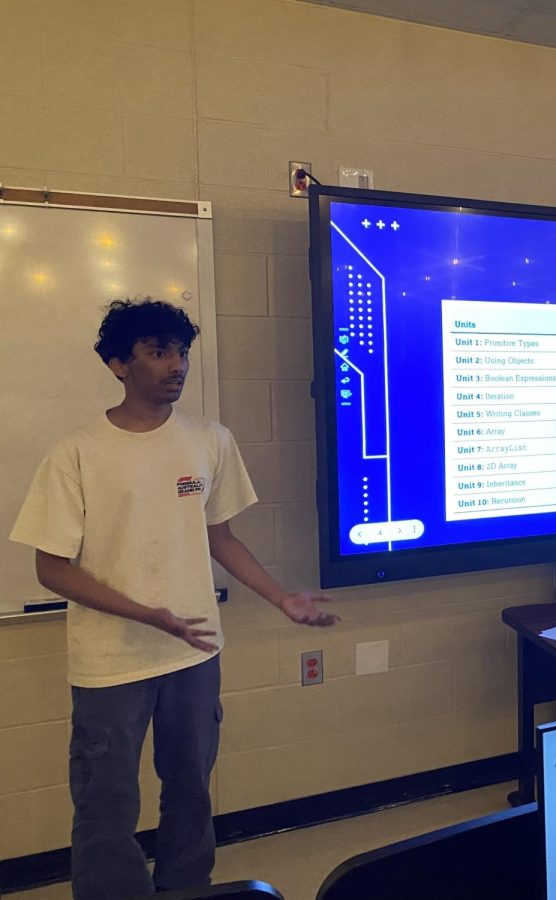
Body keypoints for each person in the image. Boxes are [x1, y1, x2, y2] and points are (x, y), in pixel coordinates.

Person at [9, 299, 340, 899]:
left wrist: (281, 599)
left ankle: (188, 890)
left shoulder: (209, 441)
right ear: (118, 364)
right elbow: (51, 568)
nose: (176, 365)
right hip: (110, 664)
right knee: (106, 803)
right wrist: (146, 614)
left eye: (182, 352)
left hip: (194, 655)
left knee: (190, 788)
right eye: (158, 351)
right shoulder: (76, 452)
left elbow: (220, 537)